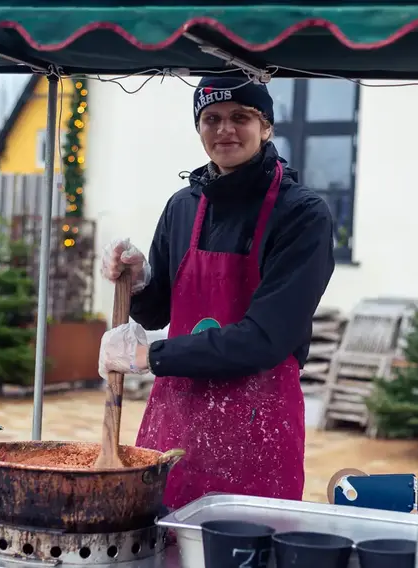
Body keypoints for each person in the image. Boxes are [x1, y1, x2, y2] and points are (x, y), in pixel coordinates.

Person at [97, 76, 336, 509]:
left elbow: (266, 338)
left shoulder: (302, 214)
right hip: (178, 421)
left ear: (266, 127)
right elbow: (157, 311)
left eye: (240, 117)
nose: (224, 129)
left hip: (256, 424)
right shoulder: (183, 206)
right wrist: (140, 280)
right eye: (211, 119)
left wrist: (147, 356)